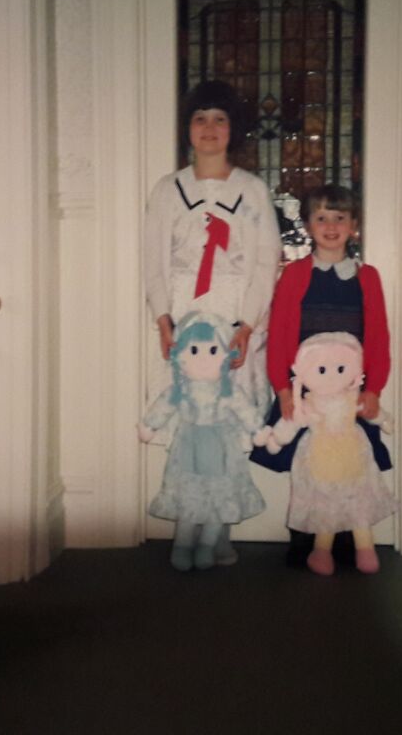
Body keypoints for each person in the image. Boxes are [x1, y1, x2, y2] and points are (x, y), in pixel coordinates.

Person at [143, 79, 281, 563]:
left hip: (235, 313)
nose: (209, 128)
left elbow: (266, 261)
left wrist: (247, 323)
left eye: (220, 119)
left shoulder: (251, 191)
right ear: (187, 128)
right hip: (184, 315)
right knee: (190, 419)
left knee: (230, 418)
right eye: (200, 118)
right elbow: (153, 259)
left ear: (233, 130)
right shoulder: (168, 190)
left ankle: (217, 529)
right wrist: (163, 316)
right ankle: (193, 525)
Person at [250, 183, 392, 566]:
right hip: (304, 391)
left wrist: (374, 388)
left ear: (354, 226)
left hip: (349, 392)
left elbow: (378, 336)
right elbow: (279, 334)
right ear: (310, 225)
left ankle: (347, 538)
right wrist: (282, 388)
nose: (331, 226)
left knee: (351, 463)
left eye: (340, 218)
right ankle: (306, 538)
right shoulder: (295, 274)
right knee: (306, 465)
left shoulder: (369, 277)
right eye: (322, 218)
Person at [138, 313, 265, 571]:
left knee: (219, 501)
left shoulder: (229, 391)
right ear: (180, 355)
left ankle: (207, 546)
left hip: (223, 451)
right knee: (188, 500)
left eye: (213, 350)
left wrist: (258, 430)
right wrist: (149, 425)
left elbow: (244, 411)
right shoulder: (180, 389)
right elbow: (164, 406)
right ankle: (182, 546)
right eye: (194, 350)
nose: (205, 357)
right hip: (188, 449)